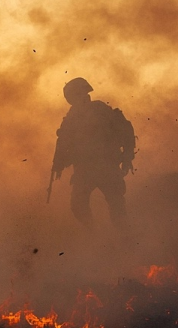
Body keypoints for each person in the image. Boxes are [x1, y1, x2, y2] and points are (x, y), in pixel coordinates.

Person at [52, 77, 135, 227]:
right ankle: (94, 234)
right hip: (85, 170)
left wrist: (127, 158)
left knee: (117, 207)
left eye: (78, 95)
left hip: (107, 166)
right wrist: (59, 163)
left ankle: (124, 239)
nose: (76, 100)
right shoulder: (70, 118)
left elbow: (125, 130)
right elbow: (64, 143)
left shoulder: (101, 110)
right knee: (78, 206)